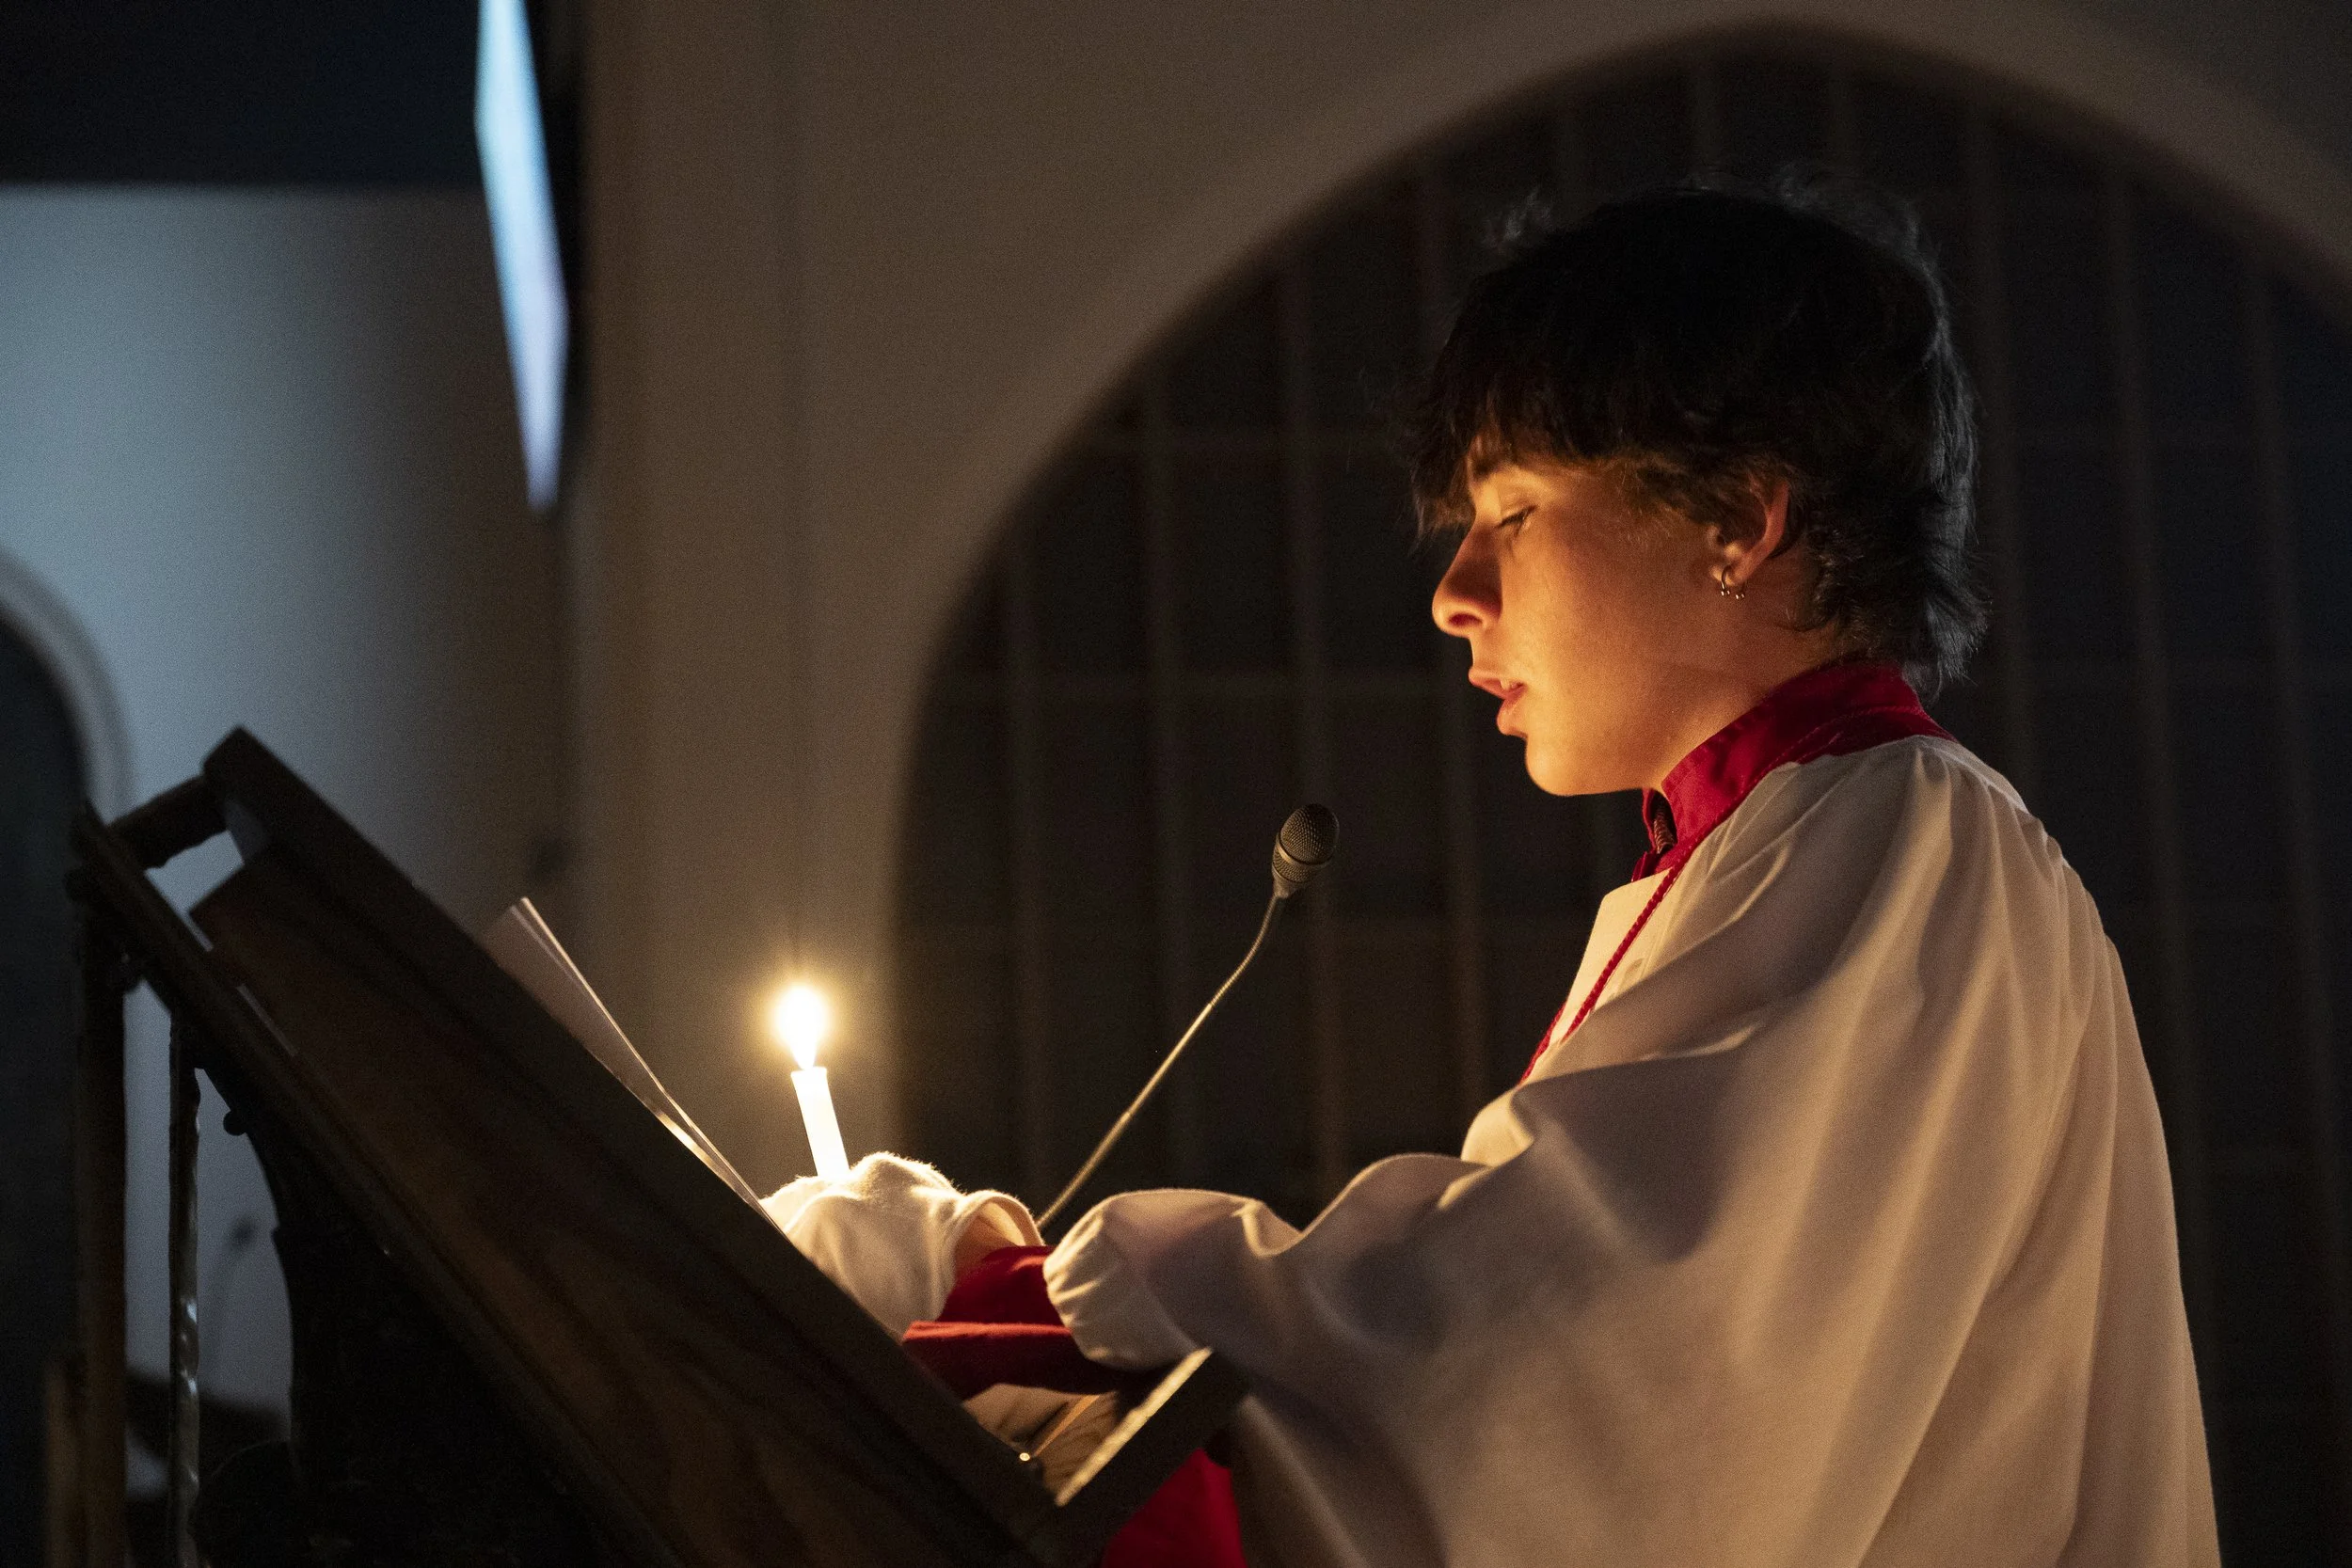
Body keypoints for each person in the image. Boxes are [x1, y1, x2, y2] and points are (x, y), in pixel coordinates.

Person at [774, 175, 2218, 1567]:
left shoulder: (1908, 841)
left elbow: (1570, 1399)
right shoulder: (1794, 846)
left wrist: (979, 1290)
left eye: (1512, 512)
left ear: (1739, 518)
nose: (1457, 596)